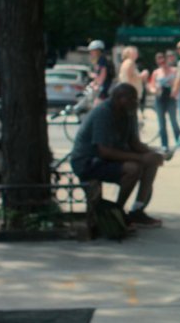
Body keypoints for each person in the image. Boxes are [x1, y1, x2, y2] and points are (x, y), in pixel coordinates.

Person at [69, 83, 165, 228]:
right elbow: (104, 151)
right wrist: (140, 157)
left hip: (107, 159)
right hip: (89, 161)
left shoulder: (129, 112)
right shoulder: (103, 113)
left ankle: (137, 210)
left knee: (151, 164)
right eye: (132, 99)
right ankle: (117, 210)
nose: (135, 102)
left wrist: (152, 153)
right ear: (120, 99)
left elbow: (134, 143)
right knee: (133, 168)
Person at [148, 52, 180, 151]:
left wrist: (175, 90)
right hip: (160, 98)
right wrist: (154, 90)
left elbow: (179, 82)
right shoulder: (156, 72)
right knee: (161, 123)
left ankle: (179, 141)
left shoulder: (174, 71)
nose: (162, 63)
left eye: (163, 60)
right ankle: (164, 144)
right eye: (159, 61)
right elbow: (151, 86)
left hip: (171, 98)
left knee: (173, 121)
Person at [88, 40, 114, 105]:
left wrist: (98, 85)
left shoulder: (102, 60)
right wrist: (94, 82)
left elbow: (103, 74)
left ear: (98, 51)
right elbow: (98, 74)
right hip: (103, 87)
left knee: (97, 104)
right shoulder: (100, 60)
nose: (91, 52)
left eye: (92, 50)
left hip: (104, 87)